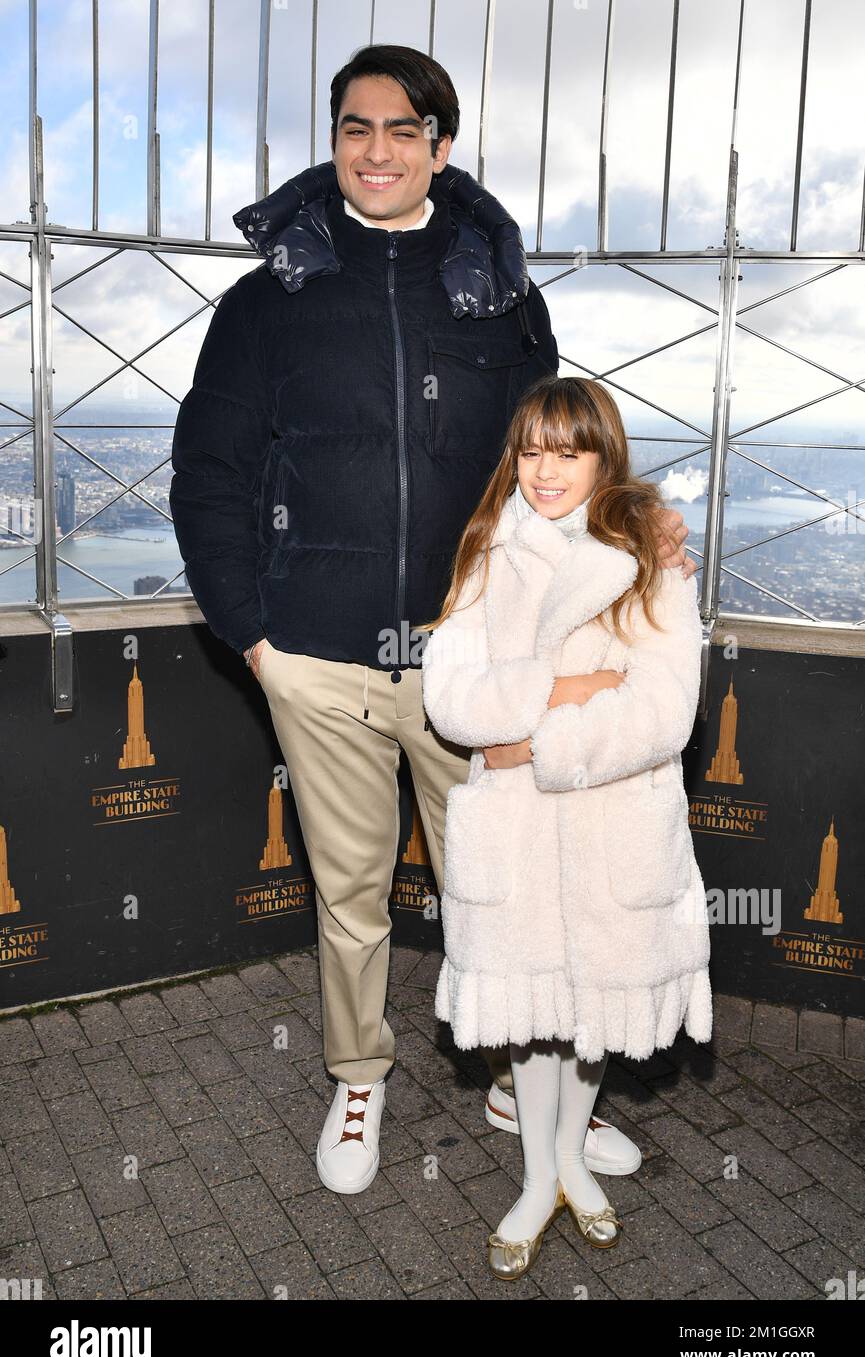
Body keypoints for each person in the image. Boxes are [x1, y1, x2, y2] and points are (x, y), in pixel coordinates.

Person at [169, 43, 697, 1197]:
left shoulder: (501, 298)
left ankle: (525, 1082)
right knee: (351, 898)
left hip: (480, 670)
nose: (377, 149)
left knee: (504, 896)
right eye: (356, 128)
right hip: (319, 659)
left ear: (439, 146)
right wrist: (257, 640)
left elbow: (555, 462)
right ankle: (358, 1074)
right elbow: (206, 472)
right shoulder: (269, 302)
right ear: (334, 140)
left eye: (403, 130)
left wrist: (640, 523)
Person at [419, 374, 712, 1278]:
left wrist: (535, 746)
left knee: (590, 1010)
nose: (545, 472)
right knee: (530, 1006)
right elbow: (450, 693)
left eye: (568, 451)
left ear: (602, 456)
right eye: (531, 451)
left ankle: (572, 1162)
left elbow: (666, 709)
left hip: (609, 817)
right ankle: (539, 1172)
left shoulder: (650, 552)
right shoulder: (485, 546)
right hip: (513, 828)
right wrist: (568, 690)